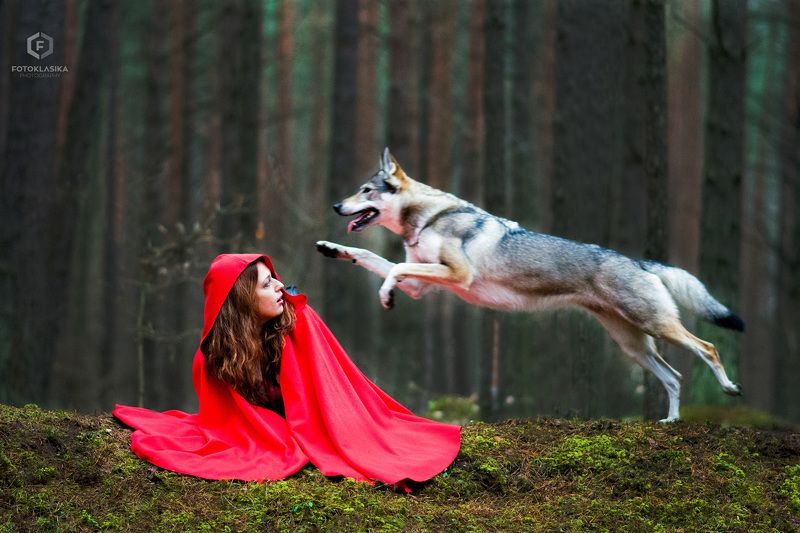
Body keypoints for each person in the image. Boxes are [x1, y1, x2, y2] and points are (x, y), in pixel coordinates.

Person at [113, 253, 460, 486]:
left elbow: (325, 395)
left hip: (322, 420)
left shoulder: (298, 322)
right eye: (266, 284)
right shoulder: (214, 357)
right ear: (241, 300)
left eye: (275, 279)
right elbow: (226, 419)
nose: (280, 286)